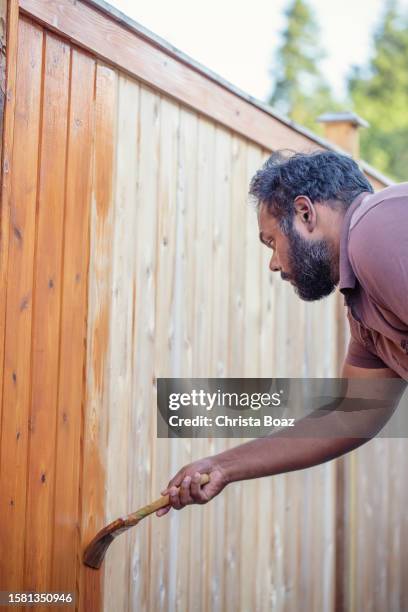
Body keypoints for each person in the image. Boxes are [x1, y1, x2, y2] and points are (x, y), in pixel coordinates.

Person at [156, 150, 408, 517]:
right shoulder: (365, 310)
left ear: (305, 213)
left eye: (271, 241)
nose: (273, 263)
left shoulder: (378, 231)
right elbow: (352, 415)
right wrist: (223, 465)